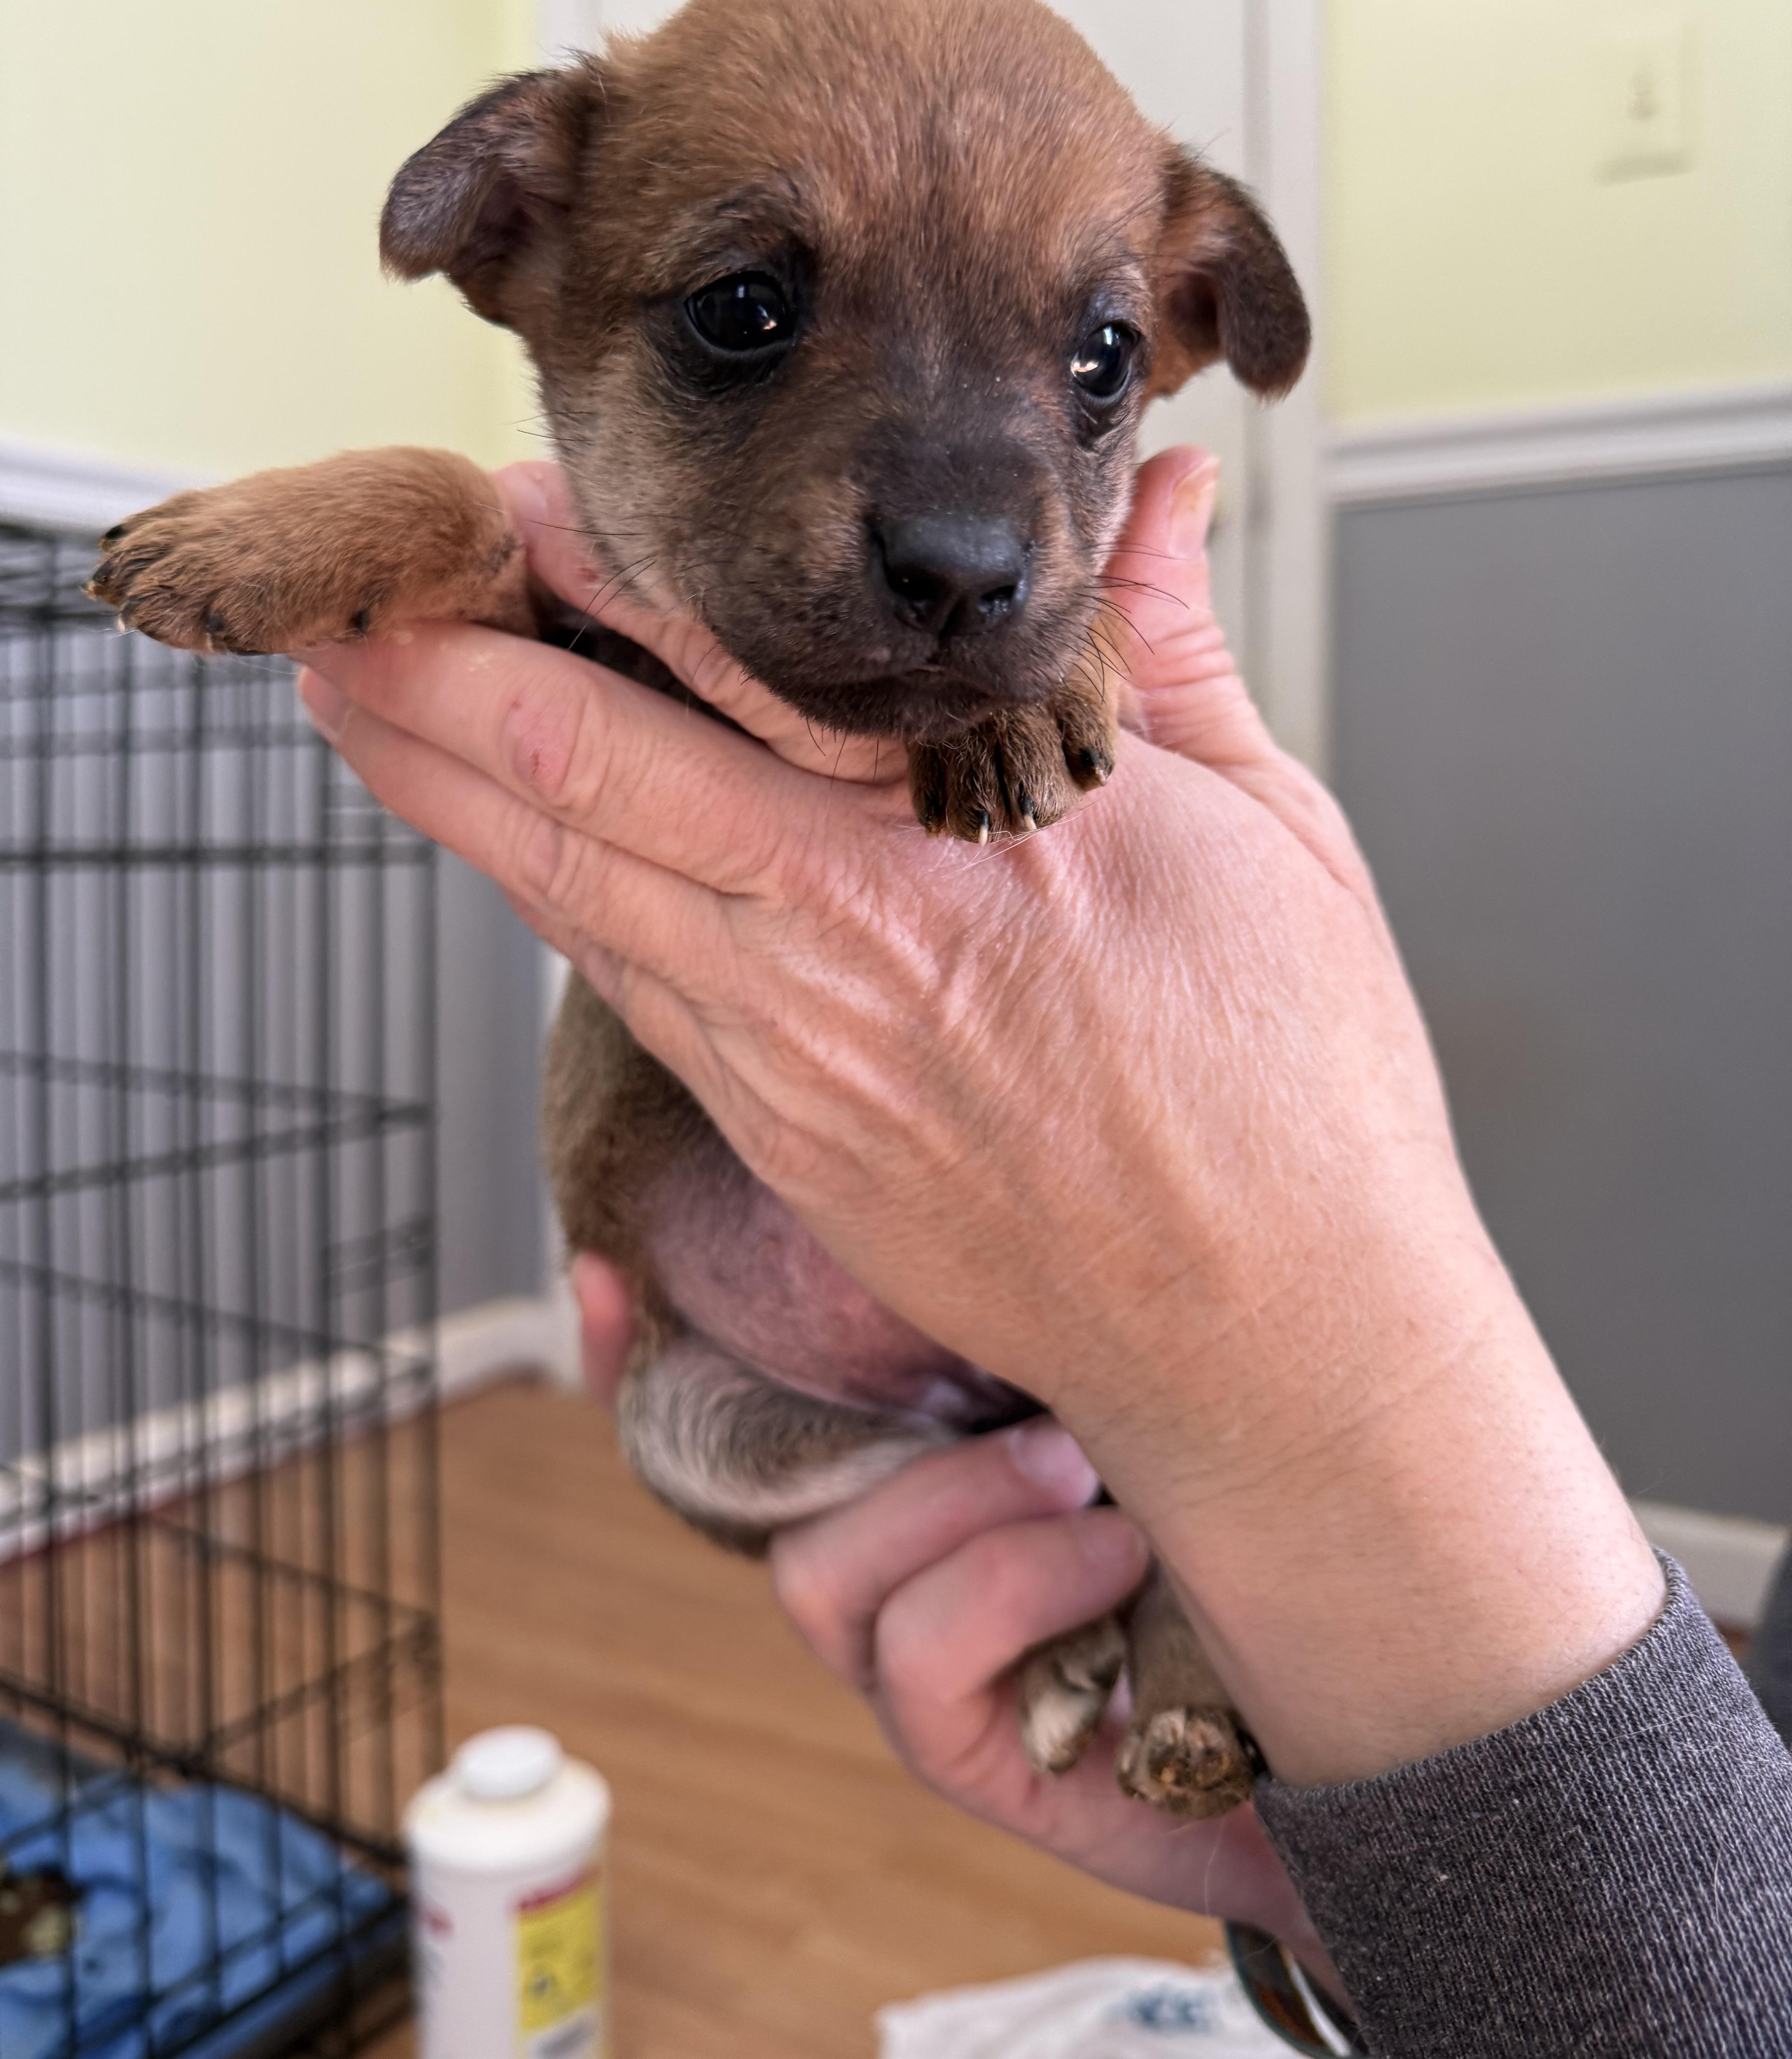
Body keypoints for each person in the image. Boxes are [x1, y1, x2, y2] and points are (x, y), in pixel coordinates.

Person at [295, 446, 1792, 2057]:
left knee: (1066, 1512)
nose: (952, 508)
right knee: (735, 1454)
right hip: (762, 1371)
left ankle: (1166, 1619)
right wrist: (1352, 1906)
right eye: (749, 315)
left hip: (1001, 1437)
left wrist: (1311, 1349)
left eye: (1087, 363)